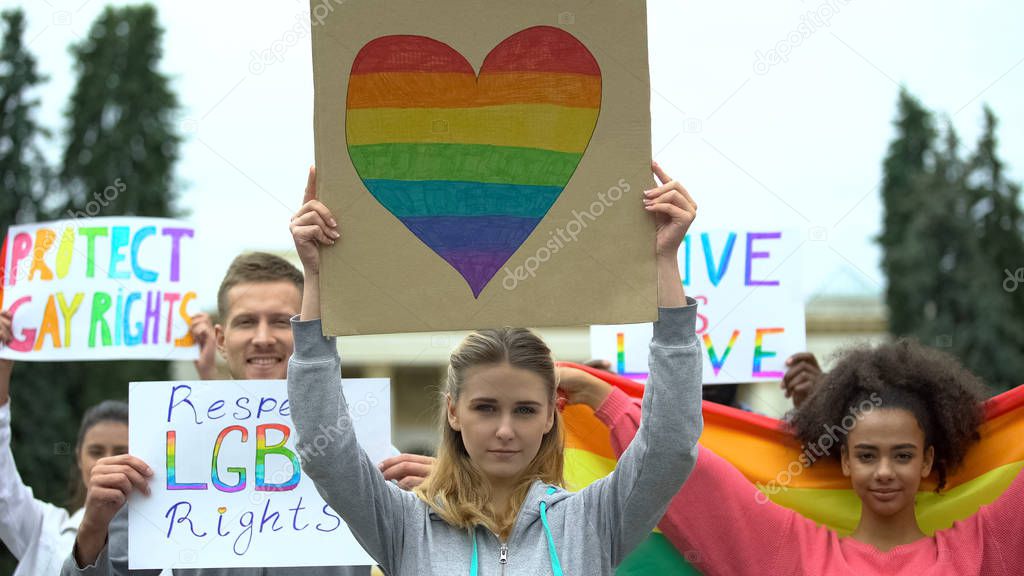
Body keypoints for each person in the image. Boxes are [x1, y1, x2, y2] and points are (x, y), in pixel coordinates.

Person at [287, 162, 703, 574]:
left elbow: (669, 445)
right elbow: (327, 455)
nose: (505, 430)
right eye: (485, 408)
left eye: (524, 410)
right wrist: (318, 278)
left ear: (548, 415)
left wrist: (664, 261)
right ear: (453, 411)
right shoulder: (406, 524)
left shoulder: (593, 520)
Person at [564, 338, 1024, 575]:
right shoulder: (793, 553)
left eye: (902, 455)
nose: (884, 471)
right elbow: (691, 476)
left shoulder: (985, 550)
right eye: (867, 455)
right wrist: (603, 397)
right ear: (844, 461)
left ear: (927, 462)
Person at [63, 253, 371, 576]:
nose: (263, 338)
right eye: (247, 322)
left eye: (282, 322)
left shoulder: (359, 439)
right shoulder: (166, 446)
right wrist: (92, 530)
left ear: (309, 336)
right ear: (222, 340)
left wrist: (424, 510)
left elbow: (406, 554)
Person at [0, 310, 130, 576]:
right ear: (78, 457)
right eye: (96, 451)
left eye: (121, 452)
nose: (107, 461)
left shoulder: (166, 548)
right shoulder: (43, 529)